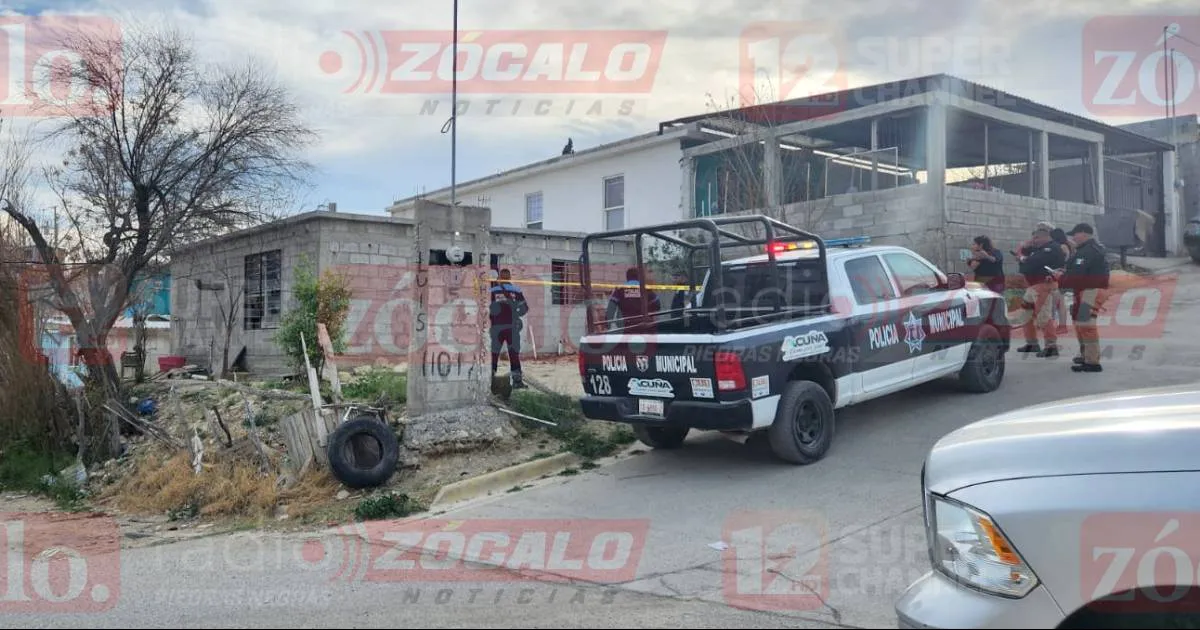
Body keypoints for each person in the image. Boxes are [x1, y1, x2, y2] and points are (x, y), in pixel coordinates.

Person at [1052, 222, 1109, 373]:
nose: (1073, 238)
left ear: (1084, 233)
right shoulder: (1086, 250)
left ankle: (1092, 362)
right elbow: (1076, 271)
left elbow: (1077, 275)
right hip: (1084, 290)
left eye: (1075, 235)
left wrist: (1061, 277)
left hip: (1090, 290)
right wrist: (1064, 273)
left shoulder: (1088, 251)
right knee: (1079, 323)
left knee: (1086, 325)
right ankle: (1086, 355)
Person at [1016, 227, 1066, 357]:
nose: (1034, 240)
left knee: (1043, 316)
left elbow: (1032, 263)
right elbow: (1025, 265)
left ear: (1045, 236)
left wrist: (1024, 259)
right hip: (1033, 286)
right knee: (1026, 314)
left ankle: (1051, 345)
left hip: (1044, 284)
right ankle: (1032, 343)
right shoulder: (1038, 249)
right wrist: (1025, 253)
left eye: (1036, 238)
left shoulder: (1052, 248)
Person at [488, 269, 528, 388]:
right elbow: (525, 308)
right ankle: (517, 382)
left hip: (497, 328)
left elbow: (487, 308)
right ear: (510, 277)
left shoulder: (492, 291)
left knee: (494, 354)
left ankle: (490, 379)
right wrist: (516, 314)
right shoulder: (516, 290)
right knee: (514, 354)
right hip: (512, 328)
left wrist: (493, 318)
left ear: (500, 277)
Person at [1049, 227, 1074, 334]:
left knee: (1059, 302)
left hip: (1060, 275)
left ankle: (1062, 325)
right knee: (1057, 301)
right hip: (1061, 274)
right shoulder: (1067, 245)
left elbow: (1064, 261)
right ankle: (1057, 323)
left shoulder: (1062, 247)